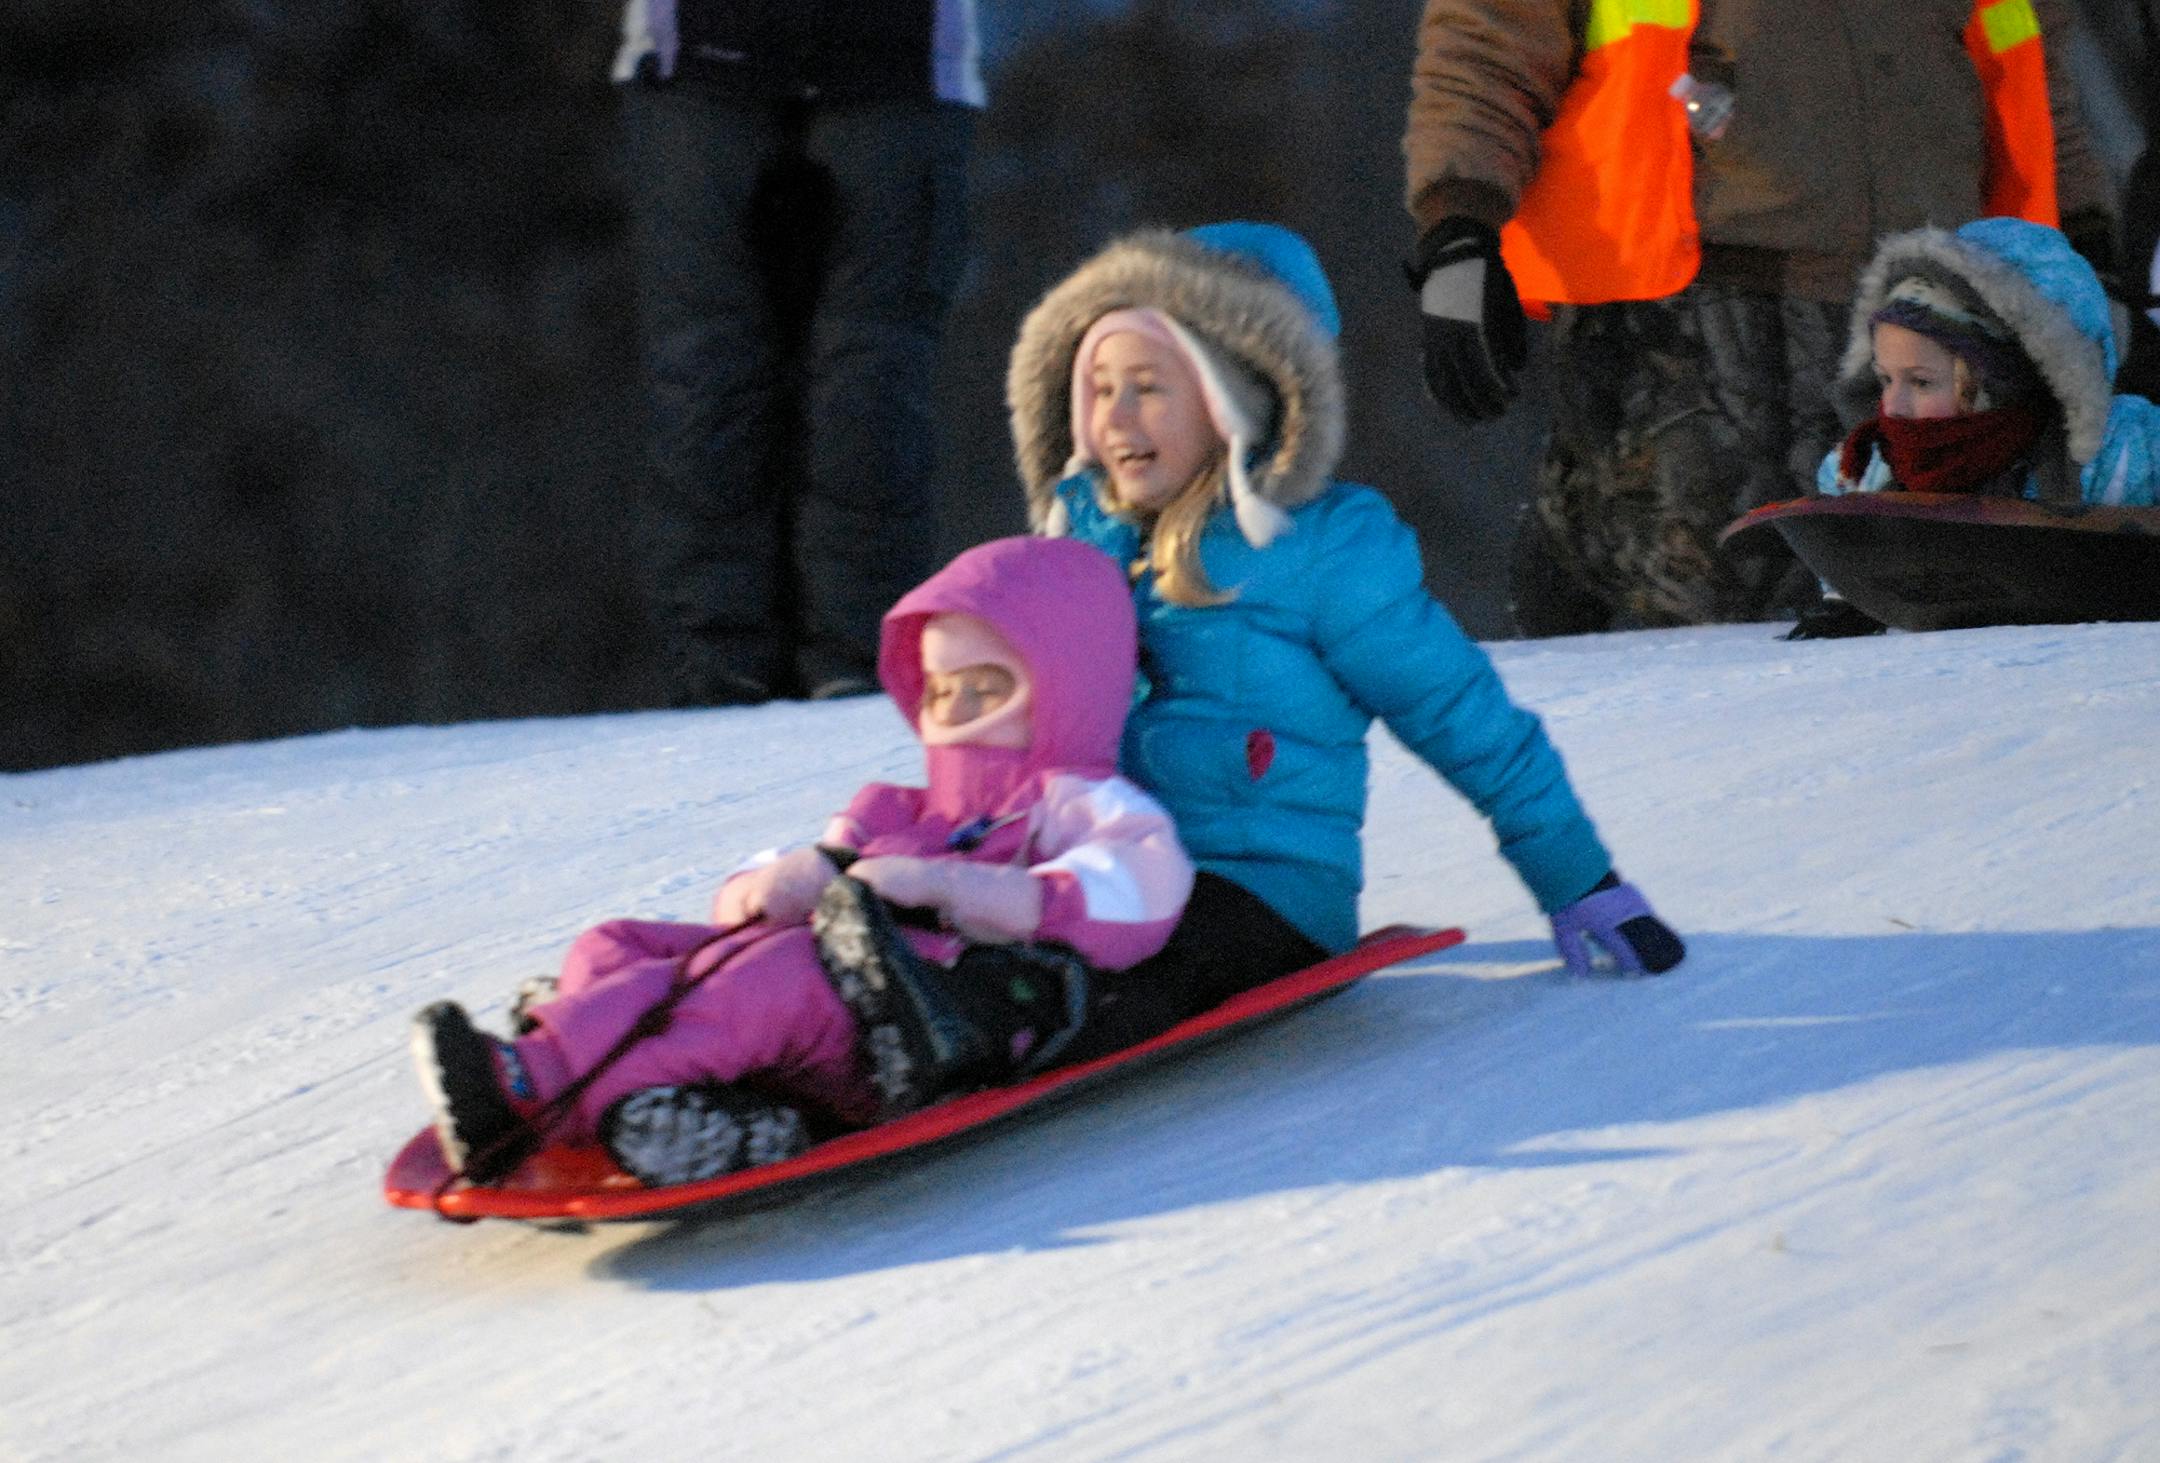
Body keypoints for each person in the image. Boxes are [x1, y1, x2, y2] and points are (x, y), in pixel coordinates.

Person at [996, 220, 1684, 1065]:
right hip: (1099, 871)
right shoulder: (1077, 553)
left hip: (1260, 891)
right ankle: (888, 1017)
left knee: (1135, 954)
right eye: (1100, 388)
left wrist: (1578, 875)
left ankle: (1007, 1022)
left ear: (1235, 397)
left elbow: (1459, 713)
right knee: (977, 909)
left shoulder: (1324, 549)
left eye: (1148, 386)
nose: (1117, 416)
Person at [410, 535, 1194, 1186]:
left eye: (985, 687)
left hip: (901, 1022)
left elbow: (1142, 890)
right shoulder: (900, 806)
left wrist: (952, 886)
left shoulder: (1077, 801)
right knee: (615, 943)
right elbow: (788, 884)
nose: (953, 709)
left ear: (1062, 686)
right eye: (939, 689)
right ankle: (693, 1105)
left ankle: (538, 1085)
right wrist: (772, 884)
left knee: (764, 978)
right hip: (814, 997)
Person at [1404, 0, 2115, 636]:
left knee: (1931, 656)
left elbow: (2030, 65)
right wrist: (1458, 228)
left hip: (1938, 315)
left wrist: (2086, 255)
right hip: (1690, 317)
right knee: (1709, 653)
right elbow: (1488, 43)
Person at [611, 1, 981, 704]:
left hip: (885, 70)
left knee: (854, 387)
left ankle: (842, 666)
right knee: (725, 380)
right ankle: (742, 670)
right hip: (710, 68)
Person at [1793, 216, 2160, 635]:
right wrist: (1850, 596)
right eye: (1885, 379)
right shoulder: (1863, 471)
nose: (1892, 406)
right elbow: (1851, 560)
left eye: (1921, 382)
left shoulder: (2128, 450)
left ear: (1997, 384)